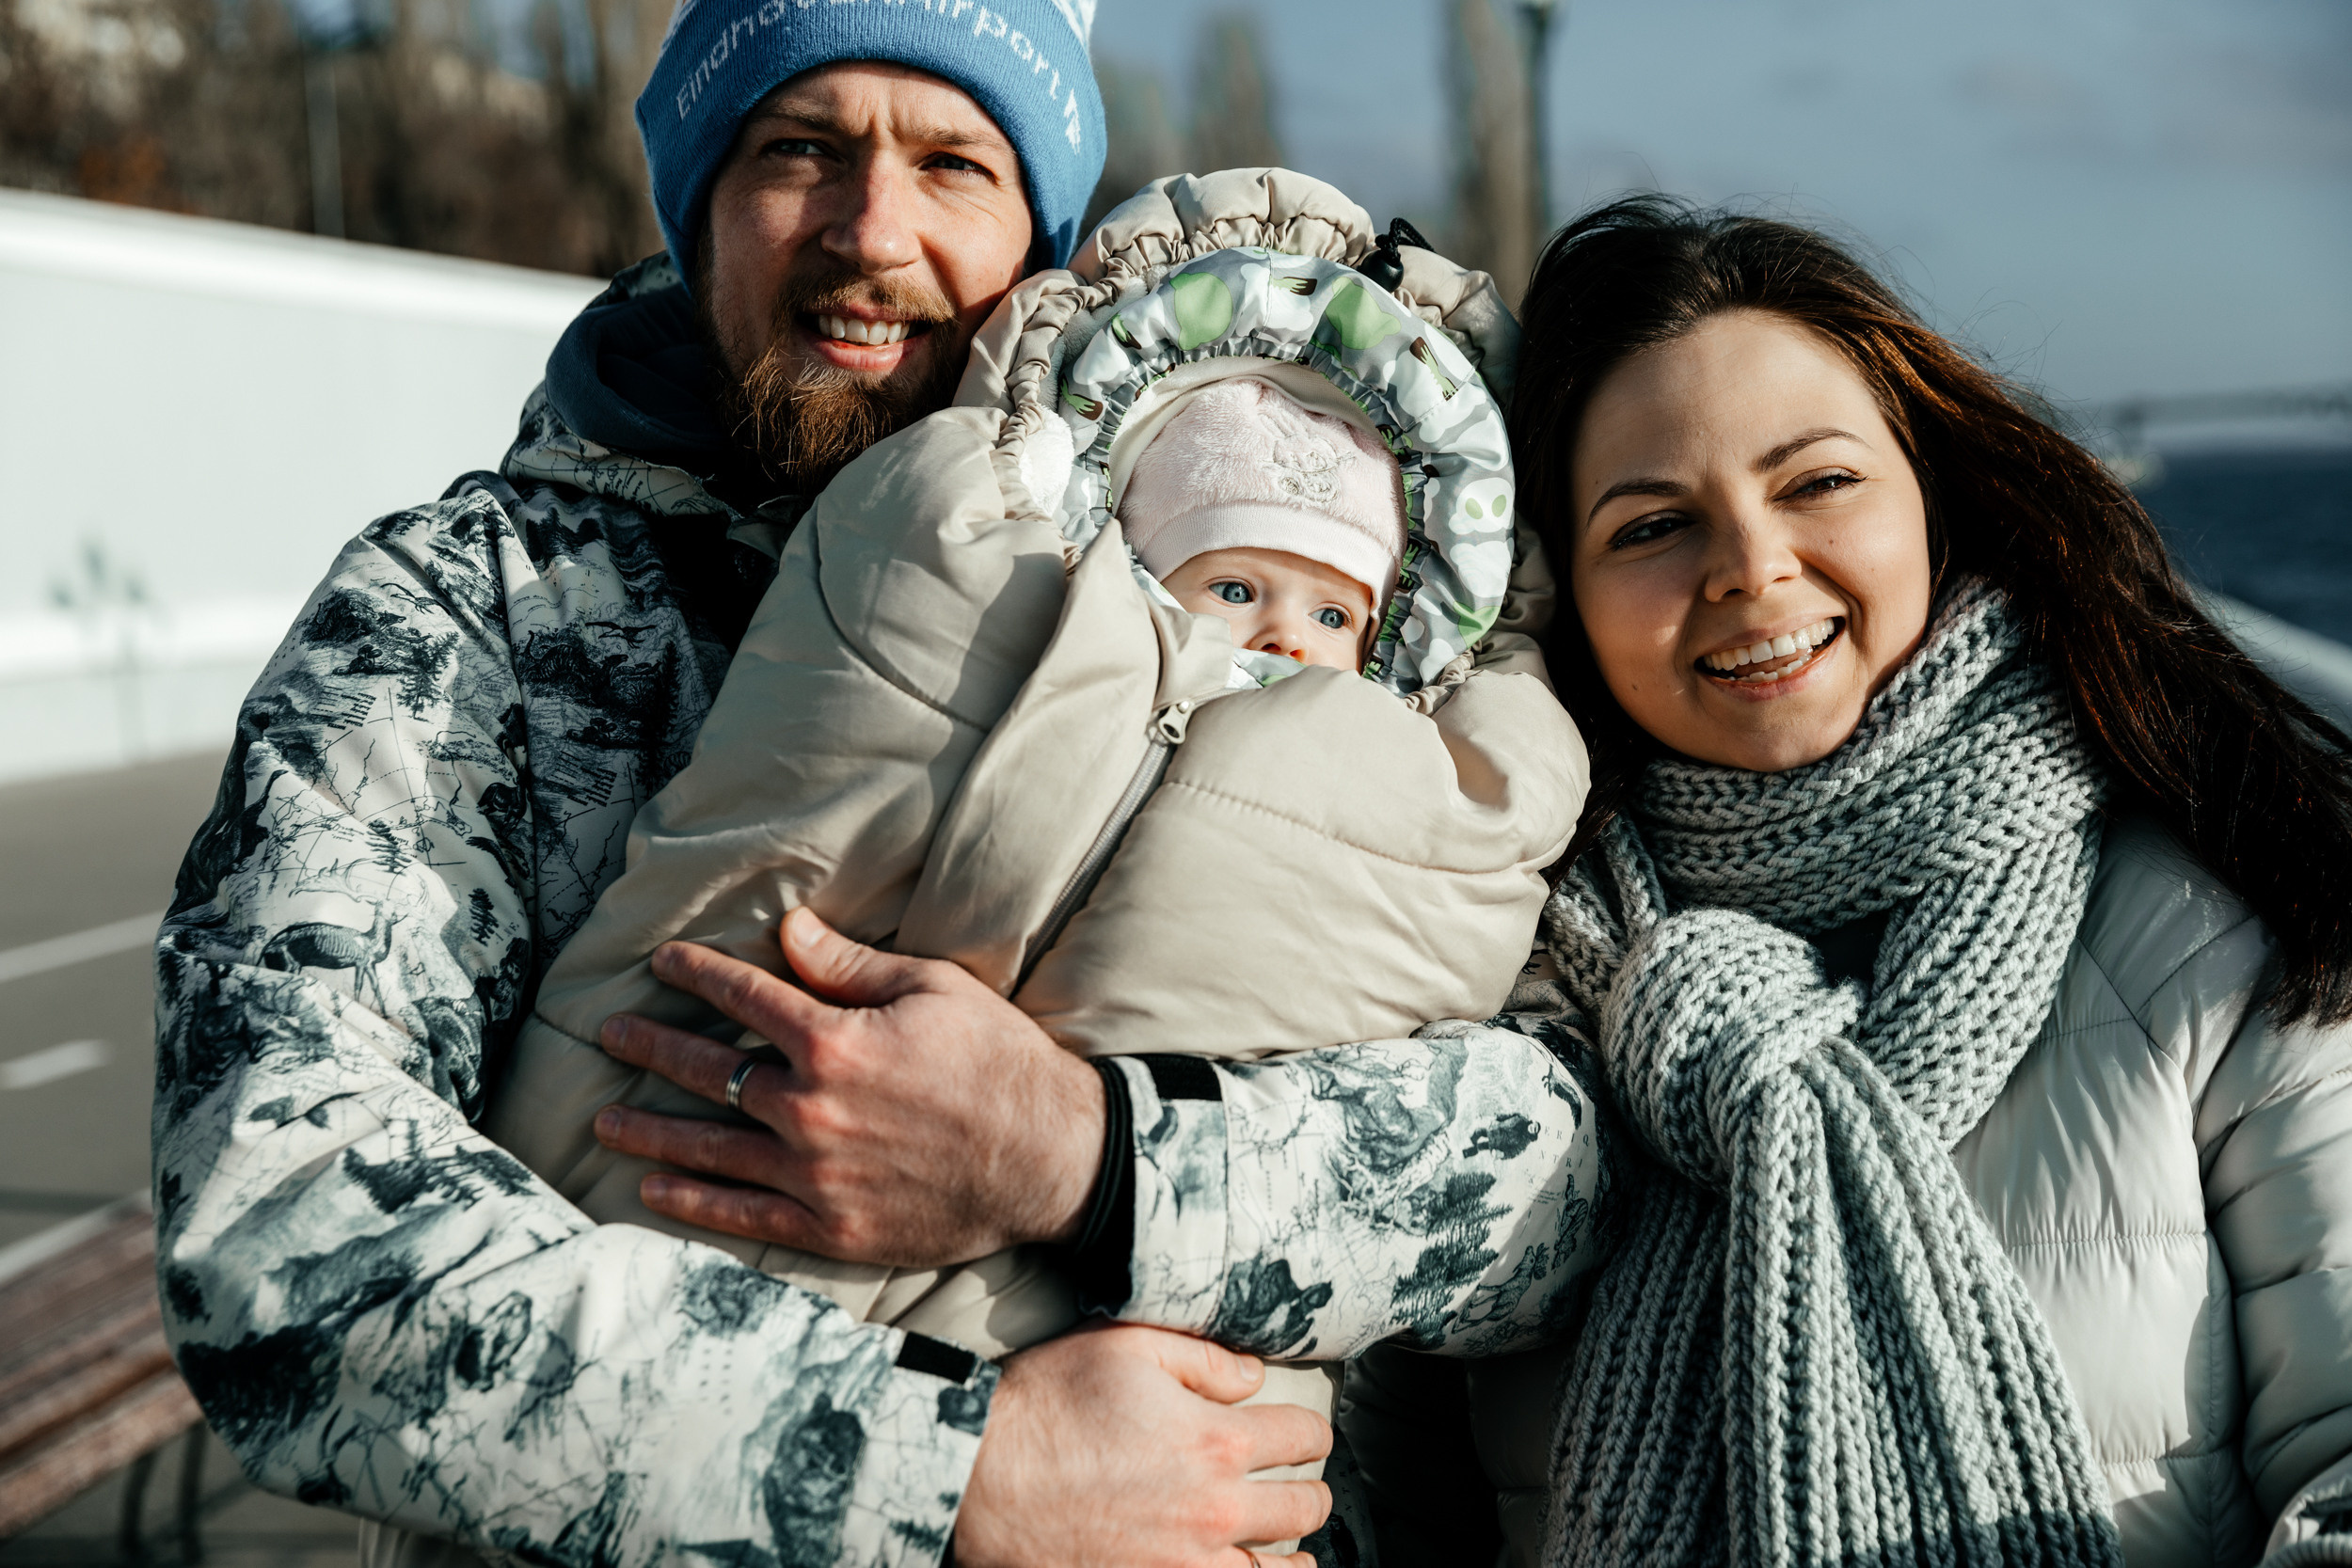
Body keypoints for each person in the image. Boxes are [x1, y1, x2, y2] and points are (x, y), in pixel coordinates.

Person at [148, 0, 1615, 1560]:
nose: (873, 227)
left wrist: (1082, 1156)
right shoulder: (475, 615)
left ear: (1042, 232)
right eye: (801, 148)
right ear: (700, 191)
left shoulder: (1292, 585)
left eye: (953, 162)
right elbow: (286, 1231)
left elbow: (1565, 1177)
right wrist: (951, 1470)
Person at [1336, 197, 2352, 1566]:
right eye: (1649, 528)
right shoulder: (1470, 986)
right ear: (1557, 593)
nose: (1752, 568)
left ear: (1936, 502)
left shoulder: (2214, 932)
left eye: (1817, 482)